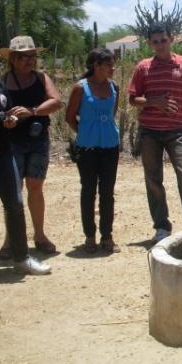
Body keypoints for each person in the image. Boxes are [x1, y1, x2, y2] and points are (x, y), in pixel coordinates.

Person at [0, 41, 51, 281]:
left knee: (14, 204)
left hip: (2, 150)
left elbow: (0, 112)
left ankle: (21, 258)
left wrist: (9, 121)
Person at [128, 22, 182, 243]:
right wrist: (155, 102)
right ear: (149, 43)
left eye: (163, 40)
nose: (160, 45)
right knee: (153, 180)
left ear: (171, 39)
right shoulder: (143, 67)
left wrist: (179, 108)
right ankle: (162, 226)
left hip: (177, 131)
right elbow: (133, 99)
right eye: (155, 41)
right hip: (149, 132)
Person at [0, 36, 62, 258]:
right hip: (11, 142)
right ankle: (11, 239)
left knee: (35, 187)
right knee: (13, 193)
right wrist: (5, 118)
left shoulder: (42, 78)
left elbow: (56, 101)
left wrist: (32, 111)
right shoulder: (2, 81)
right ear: (13, 58)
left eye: (33, 56)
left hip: (37, 140)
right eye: (25, 57)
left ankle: (39, 235)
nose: (30, 61)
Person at [66, 49, 120, 253]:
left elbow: (111, 113)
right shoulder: (80, 88)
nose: (112, 68)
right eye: (108, 65)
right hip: (87, 148)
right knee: (88, 190)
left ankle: (107, 236)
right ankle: (90, 236)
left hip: (110, 146)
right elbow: (70, 117)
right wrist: (86, 133)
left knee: (107, 191)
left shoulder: (114, 86)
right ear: (96, 66)